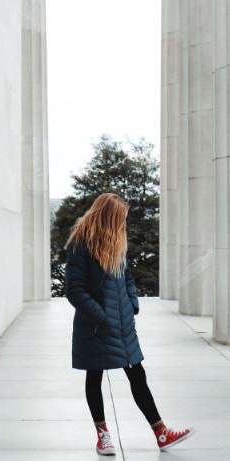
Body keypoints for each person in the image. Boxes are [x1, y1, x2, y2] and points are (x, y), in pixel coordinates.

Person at [64, 193, 195, 455]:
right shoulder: (81, 244)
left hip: (123, 325)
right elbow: (74, 290)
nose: (124, 222)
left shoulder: (117, 241)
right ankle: (103, 436)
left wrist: (132, 302)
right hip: (96, 326)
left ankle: (161, 433)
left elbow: (128, 276)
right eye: (120, 217)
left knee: (138, 375)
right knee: (95, 377)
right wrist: (101, 316)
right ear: (109, 216)